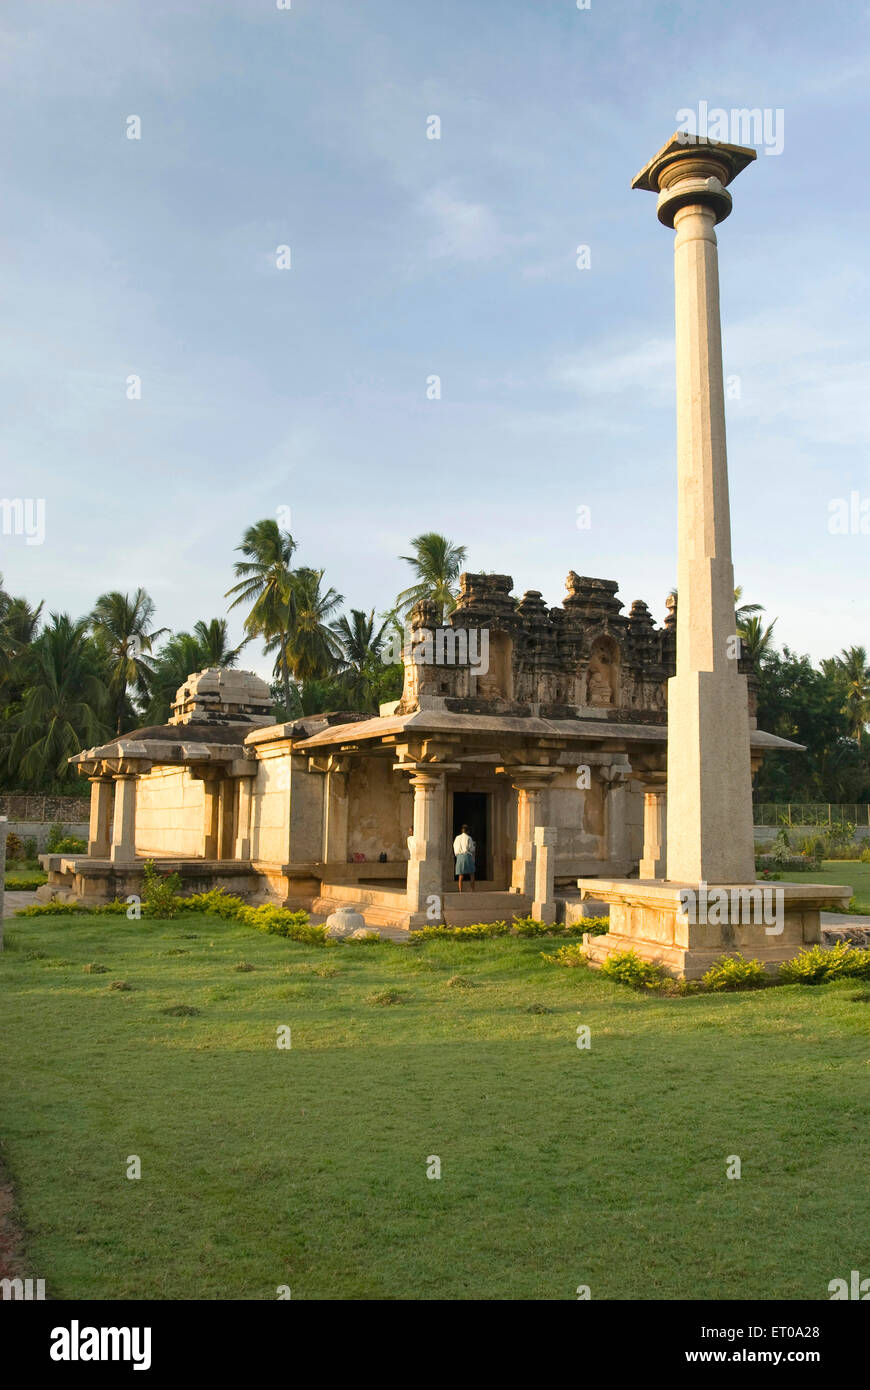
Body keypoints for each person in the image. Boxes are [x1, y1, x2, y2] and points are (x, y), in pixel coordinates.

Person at [453, 823, 476, 893]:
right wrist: (474, 846)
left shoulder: (457, 838)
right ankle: (472, 890)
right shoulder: (469, 838)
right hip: (467, 856)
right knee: (472, 873)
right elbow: (471, 849)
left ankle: (460, 891)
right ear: (467, 831)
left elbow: (454, 847)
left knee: (461, 875)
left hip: (459, 857)